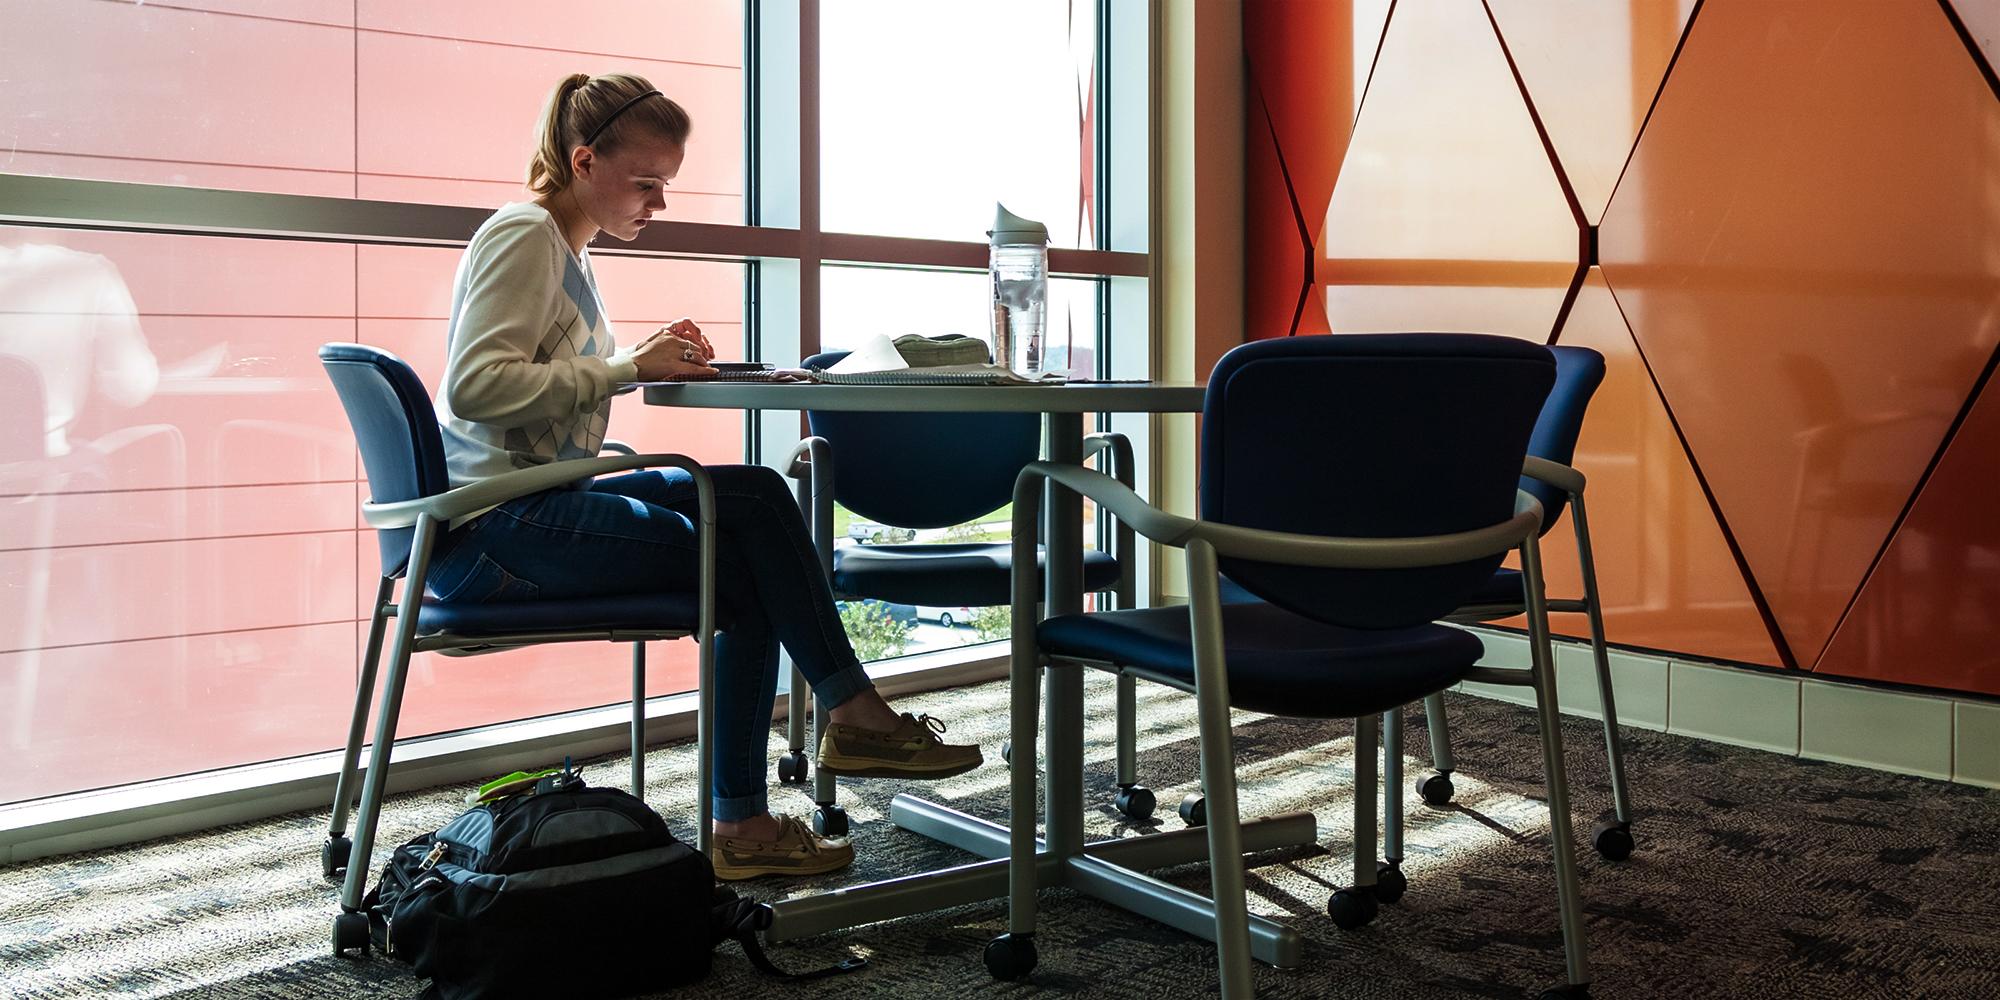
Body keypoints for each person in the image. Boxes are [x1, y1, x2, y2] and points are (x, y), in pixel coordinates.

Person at [430, 72, 981, 880]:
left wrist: (637, 355)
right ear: (584, 161)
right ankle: (760, 808)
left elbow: (545, 375)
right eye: (646, 183)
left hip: (534, 503)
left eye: (666, 185)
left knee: (754, 493)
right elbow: (475, 386)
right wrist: (624, 367)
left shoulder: (564, 248)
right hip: (496, 529)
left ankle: (842, 726)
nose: (658, 203)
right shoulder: (525, 235)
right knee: (744, 569)